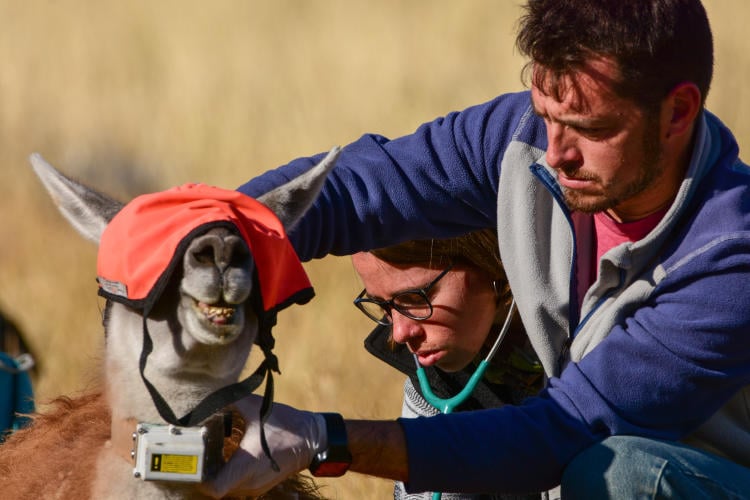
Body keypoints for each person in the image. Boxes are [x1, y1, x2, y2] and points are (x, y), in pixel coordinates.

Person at [203, 0, 750, 498]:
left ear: (678, 112)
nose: (554, 154)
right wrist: (210, 236)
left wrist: (322, 439)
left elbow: (558, 434)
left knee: (616, 475)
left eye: (590, 128)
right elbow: (359, 188)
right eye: (545, 115)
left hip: (679, 476)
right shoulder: (522, 138)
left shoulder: (729, 262)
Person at [353, 230, 542, 499]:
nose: (399, 333)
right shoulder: (433, 386)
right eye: (383, 306)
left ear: (488, 258)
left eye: (415, 298)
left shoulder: (596, 345)